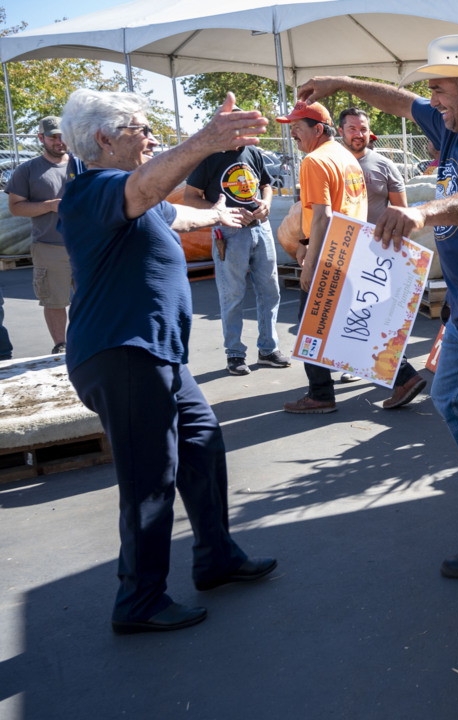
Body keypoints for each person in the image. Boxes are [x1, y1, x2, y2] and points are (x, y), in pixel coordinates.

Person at [297, 34, 458, 578]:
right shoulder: (450, 122)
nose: (430, 99)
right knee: (451, 402)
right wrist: (341, 82)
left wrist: (423, 214)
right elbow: (395, 100)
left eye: (439, 88)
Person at [58, 89, 276, 634]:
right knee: (149, 480)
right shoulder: (95, 188)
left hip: (156, 354)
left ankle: (216, 557)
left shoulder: (131, 197)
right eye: (139, 127)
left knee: (201, 443)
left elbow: (168, 210)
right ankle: (138, 601)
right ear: (104, 140)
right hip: (124, 354)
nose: (151, 136)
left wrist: (220, 212)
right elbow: (145, 188)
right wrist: (206, 140)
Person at [185, 109, 291, 376]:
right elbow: (190, 197)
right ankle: (234, 353)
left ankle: (268, 350)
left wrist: (267, 204)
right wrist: (220, 213)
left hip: (260, 229)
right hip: (229, 234)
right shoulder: (208, 157)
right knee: (232, 294)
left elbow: (265, 184)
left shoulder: (253, 153)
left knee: (270, 291)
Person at [278, 100, 368, 414]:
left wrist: (311, 262)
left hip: (329, 257)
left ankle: (320, 394)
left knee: (309, 326)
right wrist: (304, 240)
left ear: (317, 129)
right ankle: (404, 377)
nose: (293, 136)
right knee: (349, 324)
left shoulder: (314, 161)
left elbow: (323, 216)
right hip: (351, 250)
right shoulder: (346, 157)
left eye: (297, 129)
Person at [336, 106, 427, 410]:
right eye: (352, 128)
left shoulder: (385, 165)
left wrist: (397, 251)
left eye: (362, 128)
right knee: (350, 316)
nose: (358, 134)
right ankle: (365, 367)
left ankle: (404, 376)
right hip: (342, 251)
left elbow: (401, 212)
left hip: (378, 255)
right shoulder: (332, 163)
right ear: (341, 131)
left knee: (375, 317)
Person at [6, 116, 84, 355]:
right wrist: (49, 206)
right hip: (49, 247)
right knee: (55, 301)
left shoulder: (84, 165)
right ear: (41, 138)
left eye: (63, 136)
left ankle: (90, 343)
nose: (59, 141)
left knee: (92, 298)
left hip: (86, 246)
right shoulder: (27, 171)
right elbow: (16, 207)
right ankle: (61, 346)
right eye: (53, 137)